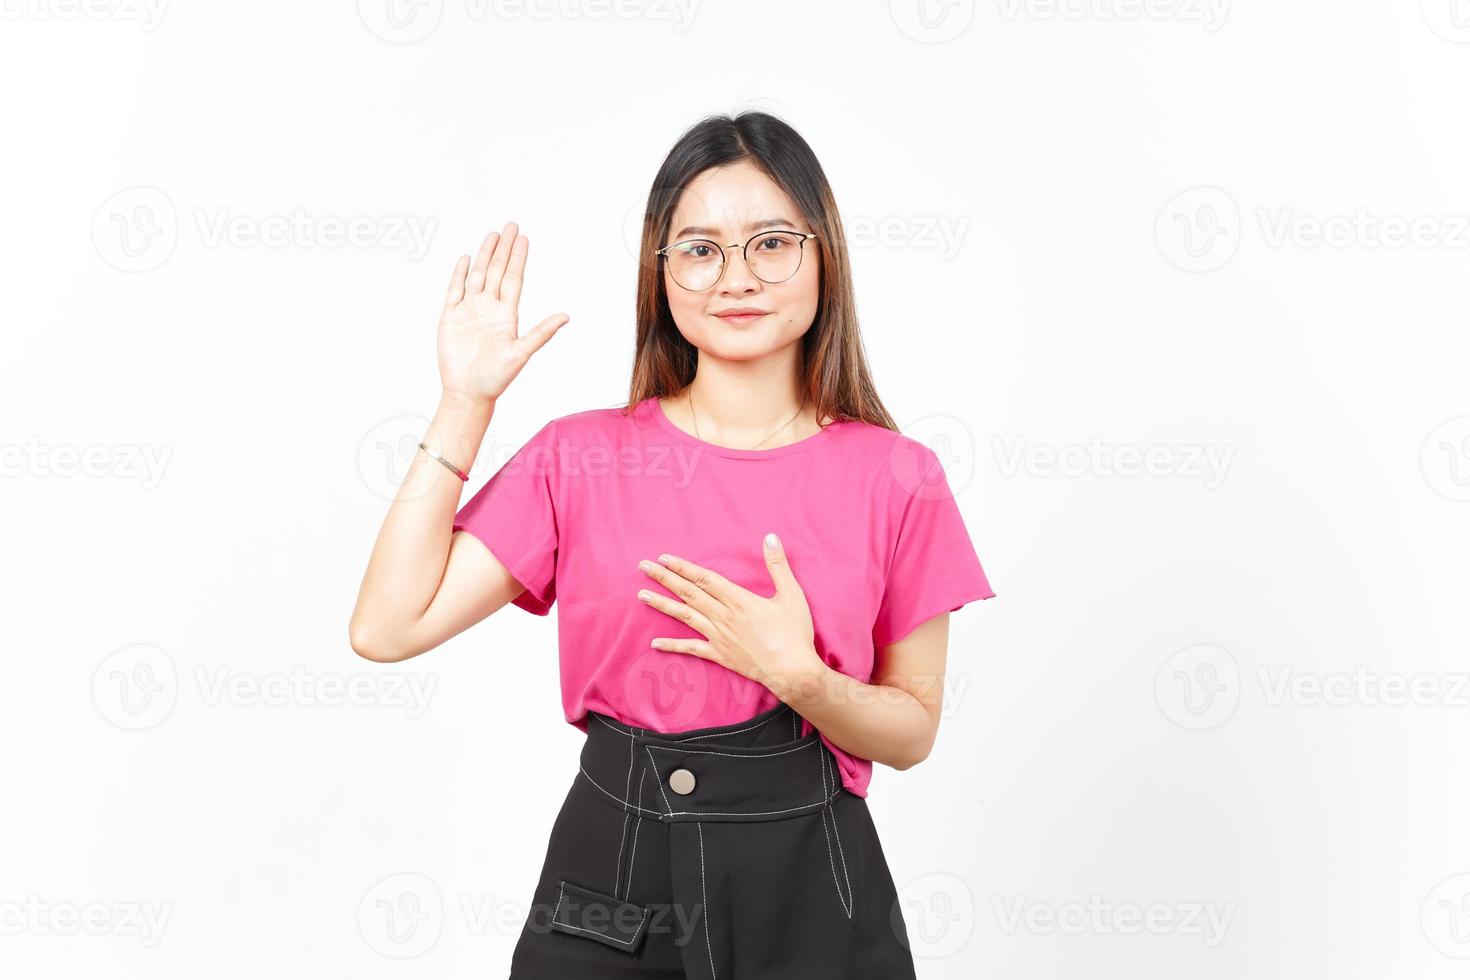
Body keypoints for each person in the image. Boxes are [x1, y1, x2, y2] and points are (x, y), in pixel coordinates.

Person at [347, 110, 996, 979]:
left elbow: (911, 730)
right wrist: (466, 401)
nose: (737, 277)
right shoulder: (577, 457)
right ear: (661, 274)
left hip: (814, 884)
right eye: (700, 249)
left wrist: (796, 674)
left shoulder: (898, 475)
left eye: (771, 243)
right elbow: (387, 628)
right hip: (609, 874)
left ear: (823, 255)